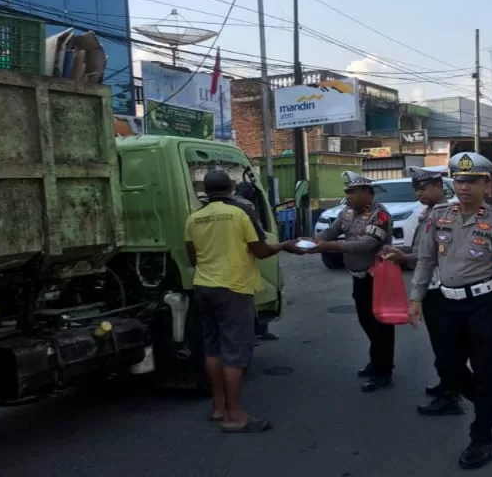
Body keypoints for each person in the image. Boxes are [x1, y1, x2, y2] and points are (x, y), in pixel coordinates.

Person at [409, 152, 492, 470]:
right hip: (447, 304)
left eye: (472, 181)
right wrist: (415, 299)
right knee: (448, 367)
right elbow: (425, 261)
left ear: (486, 184)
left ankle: (482, 437)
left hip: (484, 305)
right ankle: (486, 398)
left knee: (487, 370)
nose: (464, 187)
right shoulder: (437, 216)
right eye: (459, 180)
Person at [184, 170, 299, 434]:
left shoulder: (194, 218)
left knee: (212, 349)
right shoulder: (240, 213)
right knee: (234, 353)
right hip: (233, 288)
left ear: (205, 189)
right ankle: (235, 417)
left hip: (203, 287)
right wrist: (283, 245)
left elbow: (193, 258)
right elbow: (260, 251)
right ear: (232, 186)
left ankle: (218, 407)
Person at [381, 167, 473, 415]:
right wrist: (404, 254)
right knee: (441, 344)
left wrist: (405, 257)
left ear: (438, 187)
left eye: (422, 187)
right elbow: (421, 248)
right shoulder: (427, 214)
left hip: (444, 289)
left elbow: (437, 255)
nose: (418, 192)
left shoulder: (450, 214)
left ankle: (462, 394)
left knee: (447, 346)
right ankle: (448, 384)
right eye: (416, 188)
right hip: (431, 286)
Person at [303, 171, 394, 393]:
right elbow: (331, 231)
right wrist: (313, 241)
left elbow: (365, 244)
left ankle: (384, 372)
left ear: (366, 193)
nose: (349, 197)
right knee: (365, 320)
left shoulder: (379, 215)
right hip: (358, 276)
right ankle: (377, 361)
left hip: (377, 277)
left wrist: (329, 247)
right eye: (347, 193)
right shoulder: (346, 213)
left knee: (381, 326)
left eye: (353, 192)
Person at [234, 182, 280, 343]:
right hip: (245, 261)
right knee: (252, 298)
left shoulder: (201, 214)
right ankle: (255, 333)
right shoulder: (246, 206)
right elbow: (258, 233)